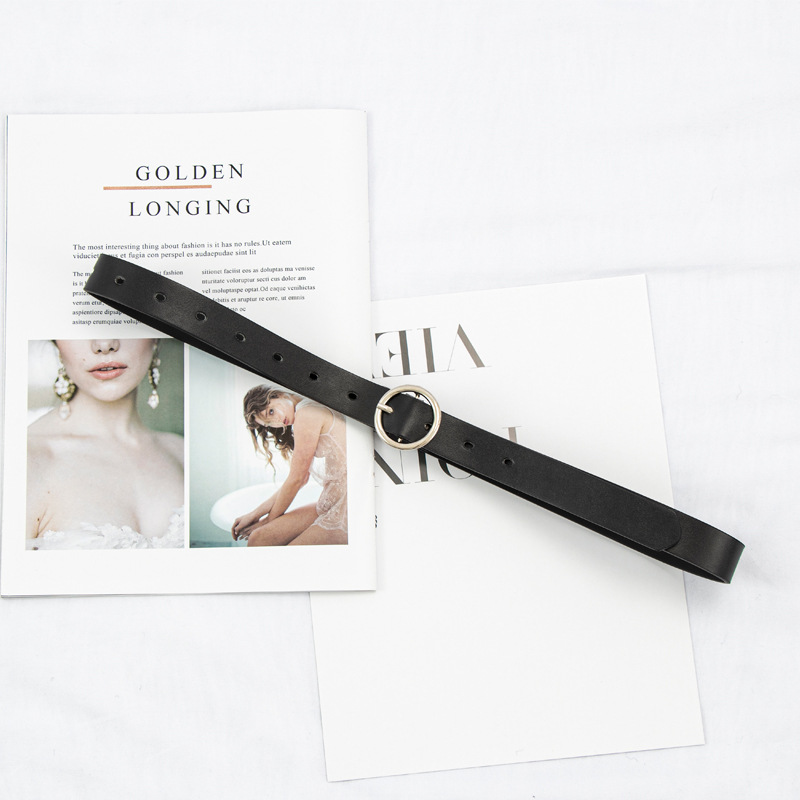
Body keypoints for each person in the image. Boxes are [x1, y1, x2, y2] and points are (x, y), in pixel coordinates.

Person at [26, 338, 184, 549]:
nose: (104, 344)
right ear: (56, 342)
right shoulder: (24, 459)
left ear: (155, 337)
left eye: (124, 323)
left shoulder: (182, 452)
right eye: (82, 327)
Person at [231, 386, 348, 546]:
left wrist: (268, 521)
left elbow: (297, 479)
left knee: (281, 549)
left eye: (271, 412)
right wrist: (255, 514)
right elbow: (300, 478)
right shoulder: (305, 408)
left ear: (279, 394)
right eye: (269, 423)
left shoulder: (307, 413)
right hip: (332, 499)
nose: (277, 422)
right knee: (258, 538)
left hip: (348, 505)